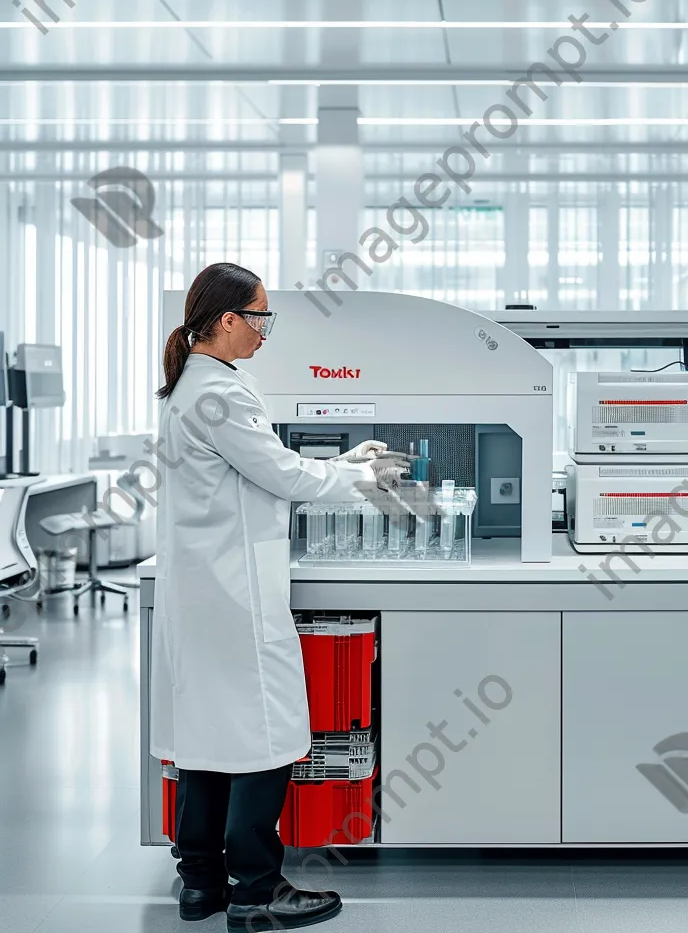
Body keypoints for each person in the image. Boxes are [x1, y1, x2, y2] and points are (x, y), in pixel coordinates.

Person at [150, 262, 386, 931]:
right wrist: (362, 477)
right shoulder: (220, 394)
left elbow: (254, 471)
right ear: (228, 320)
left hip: (202, 588)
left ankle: (199, 882)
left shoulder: (191, 388)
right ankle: (257, 890)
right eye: (260, 318)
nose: (264, 332)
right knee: (268, 739)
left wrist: (340, 465)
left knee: (204, 742)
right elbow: (282, 476)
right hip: (234, 593)